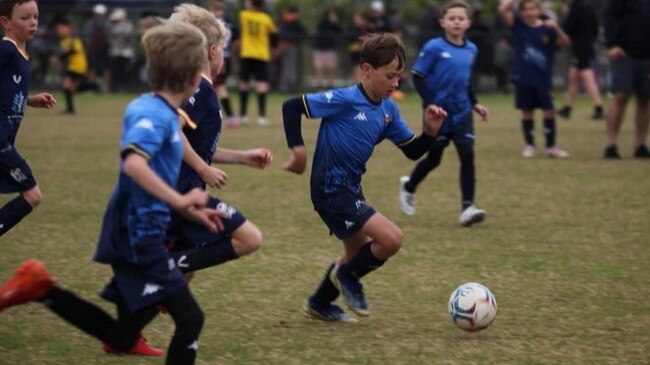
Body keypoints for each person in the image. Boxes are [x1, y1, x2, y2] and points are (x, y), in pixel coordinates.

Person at [0, 21, 225, 365]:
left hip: (142, 228)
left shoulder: (159, 111)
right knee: (191, 319)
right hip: (139, 235)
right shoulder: (154, 114)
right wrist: (181, 201)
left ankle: (42, 289)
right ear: (195, 75)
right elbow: (134, 164)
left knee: (121, 335)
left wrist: (189, 205)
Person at [282, 33, 446, 322]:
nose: (395, 83)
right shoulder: (345, 99)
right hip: (331, 190)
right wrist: (298, 151)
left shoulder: (388, 110)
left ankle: (319, 303)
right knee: (391, 240)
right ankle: (347, 278)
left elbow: (412, 151)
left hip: (350, 190)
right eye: (390, 76)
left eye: (399, 77)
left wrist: (430, 132)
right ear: (367, 71)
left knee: (356, 254)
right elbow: (291, 106)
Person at [165, 2, 271, 294]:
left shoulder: (195, 86)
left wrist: (241, 157)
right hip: (182, 192)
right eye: (222, 49)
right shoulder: (199, 88)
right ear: (213, 51)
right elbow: (171, 129)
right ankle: (162, 267)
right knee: (249, 238)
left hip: (178, 190)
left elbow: (197, 145)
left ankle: (131, 334)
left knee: (182, 279)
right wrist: (202, 169)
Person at [398, 0, 489, 227]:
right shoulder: (434, 47)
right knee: (435, 155)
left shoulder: (471, 50)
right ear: (443, 22)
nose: (456, 22)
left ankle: (468, 207)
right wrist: (430, 104)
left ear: (468, 22)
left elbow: (466, 81)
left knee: (467, 156)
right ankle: (409, 186)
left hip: (462, 113)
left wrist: (475, 103)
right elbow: (418, 77)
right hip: (438, 113)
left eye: (461, 18)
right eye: (452, 18)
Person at [0, 0, 56, 238]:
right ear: (5, 22)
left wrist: (30, 99)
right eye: (25, 17)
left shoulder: (21, 53)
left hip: (6, 142)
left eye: (35, 16)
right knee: (33, 195)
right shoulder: (6, 51)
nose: (33, 22)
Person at [498, 0, 571, 158]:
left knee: (548, 110)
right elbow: (503, 9)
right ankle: (530, 145)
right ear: (522, 12)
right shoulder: (519, 26)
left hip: (543, 78)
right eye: (527, 9)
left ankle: (551, 147)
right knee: (527, 111)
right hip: (523, 76)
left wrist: (557, 28)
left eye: (533, 8)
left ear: (539, 10)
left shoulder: (548, 28)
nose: (530, 12)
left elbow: (565, 43)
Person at [602, 0, 650, 159]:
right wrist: (611, 45)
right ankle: (611, 144)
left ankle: (640, 145)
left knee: (644, 98)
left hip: (647, 56)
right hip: (623, 53)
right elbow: (609, 17)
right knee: (621, 95)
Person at [556, 0, 604, 121]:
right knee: (574, 78)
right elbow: (595, 26)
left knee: (587, 76)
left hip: (580, 47)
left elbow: (568, 26)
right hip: (587, 45)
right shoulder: (588, 7)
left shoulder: (575, 8)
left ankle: (598, 108)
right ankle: (568, 108)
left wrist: (566, 13)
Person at [237, 0, 277, 126]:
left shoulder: (243, 15)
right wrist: (274, 49)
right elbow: (274, 35)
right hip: (261, 54)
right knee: (262, 84)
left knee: (244, 83)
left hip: (246, 53)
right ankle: (261, 116)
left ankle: (243, 115)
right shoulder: (266, 18)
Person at [207, 0, 240, 128]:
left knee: (218, 88)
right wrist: (232, 53)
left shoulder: (212, 25)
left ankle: (231, 117)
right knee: (217, 87)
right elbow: (236, 42)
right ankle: (228, 117)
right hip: (225, 57)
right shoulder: (230, 24)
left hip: (215, 58)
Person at [53, 17, 88, 114]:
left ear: (68, 29)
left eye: (61, 29)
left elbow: (73, 51)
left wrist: (59, 58)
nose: (59, 31)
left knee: (66, 85)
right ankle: (70, 109)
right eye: (58, 30)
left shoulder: (74, 39)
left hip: (77, 66)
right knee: (68, 87)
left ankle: (70, 109)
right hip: (71, 66)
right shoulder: (63, 41)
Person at [276, 6, 306, 94]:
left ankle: (282, 86)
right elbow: (303, 31)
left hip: (280, 46)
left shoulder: (282, 20)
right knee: (289, 67)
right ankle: (287, 87)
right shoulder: (295, 21)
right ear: (294, 13)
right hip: (290, 46)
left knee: (282, 67)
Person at [82, 3, 111, 92]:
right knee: (91, 68)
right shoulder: (89, 24)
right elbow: (86, 38)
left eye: (101, 14)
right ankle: (91, 88)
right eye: (97, 14)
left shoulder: (108, 25)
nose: (99, 16)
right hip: (92, 50)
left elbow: (110, 38)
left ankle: (106, 89)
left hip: (104, 50)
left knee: (105, 69)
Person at [312, 9, 342, 89]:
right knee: (319, 68)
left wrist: (335, 23)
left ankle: (330, 84)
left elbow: (340, 31)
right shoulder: (321, 24)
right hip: (320, 49)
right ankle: (319, 85)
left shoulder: (334, 25)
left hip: (330, 49)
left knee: (331, 68)